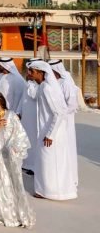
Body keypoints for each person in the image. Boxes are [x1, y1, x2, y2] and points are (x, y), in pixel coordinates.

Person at [0, 91, 35, 227]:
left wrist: (14, 148)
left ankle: (17, 213)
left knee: (13, 181)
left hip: (11, 155)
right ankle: (1, 213)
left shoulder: (11, 116)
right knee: (0, 181)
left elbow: (20, 135)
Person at [27, 61, 78, 200]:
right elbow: (34, 96)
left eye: (31, 71)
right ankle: (45, 190)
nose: (29, 74)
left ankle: (50, 192)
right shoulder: (43, 86)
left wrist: (50, 134)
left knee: (49, 161)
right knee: (45, 161)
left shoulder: (48, 89)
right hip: (46, 130)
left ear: (40, 72)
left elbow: (59, 113)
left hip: (51, 133)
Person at [49, 59, 80, 189]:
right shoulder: (53, 82)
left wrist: (61, 113)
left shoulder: (65, 83)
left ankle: (70, 179)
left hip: (65, 121)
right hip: (56, 121)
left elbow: (72, 104)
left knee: (67, 147)